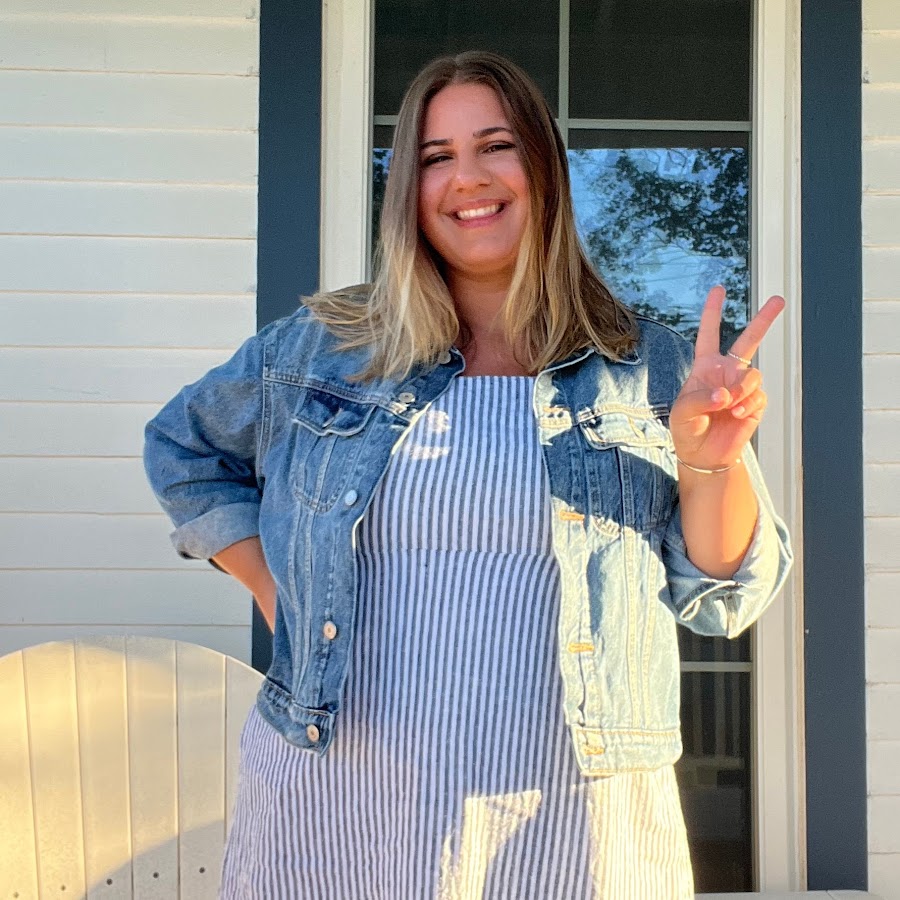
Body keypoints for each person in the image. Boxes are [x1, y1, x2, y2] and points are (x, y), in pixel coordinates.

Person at [144, 51, 791, 899]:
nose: (468, 178)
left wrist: (713, 459)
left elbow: (725, 594)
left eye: (496, 146)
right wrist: (276, 589)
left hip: (573, 806)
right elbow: (184, 449)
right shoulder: (324, 349)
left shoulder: (647, 366)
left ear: (543, 168)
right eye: (435, 156)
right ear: (407, 191)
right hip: (337, 789)